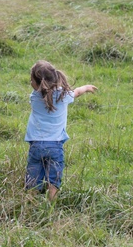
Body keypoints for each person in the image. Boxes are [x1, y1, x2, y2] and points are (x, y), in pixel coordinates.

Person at [25, 60, 97, 203]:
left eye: (31, 80)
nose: (30, 82)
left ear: (38, 83)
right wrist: (86, 87)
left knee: (33, 177)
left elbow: (40, 91)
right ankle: (52, 203)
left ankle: (30, 203)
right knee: (54, 178)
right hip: (55, 146)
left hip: (36, 145)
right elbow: (76, 92)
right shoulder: (64, 96)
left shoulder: (34, 97)